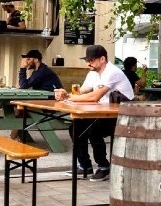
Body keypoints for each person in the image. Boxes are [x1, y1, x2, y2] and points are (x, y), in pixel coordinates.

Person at [54, 44, 134, 182]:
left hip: (123, 116)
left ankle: (104, 167)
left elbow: (94, 97)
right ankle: (85, 165)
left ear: (102, 59)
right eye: (87, 60)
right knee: (75, 127)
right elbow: (83, 90)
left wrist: (69, 98)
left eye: (91, 60)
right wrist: (65, 93)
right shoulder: (93, 73)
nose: (88, 63)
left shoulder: (112, 72)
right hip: (103, 113)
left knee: (92, 128)